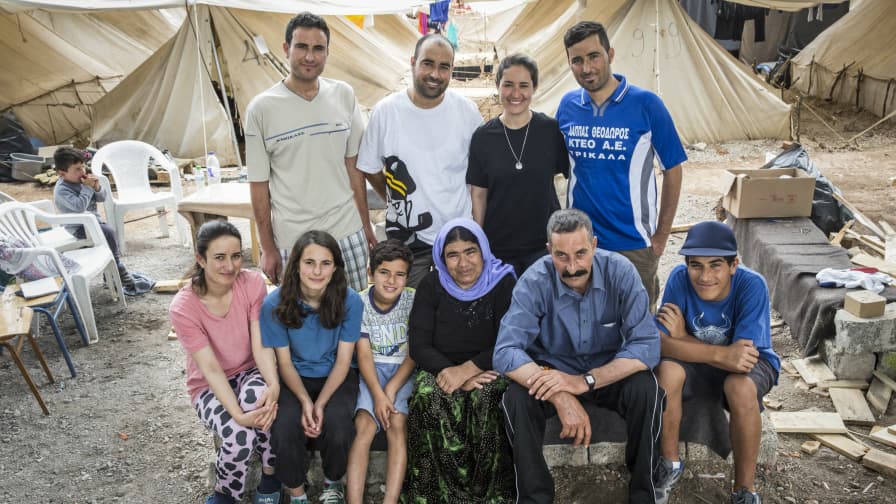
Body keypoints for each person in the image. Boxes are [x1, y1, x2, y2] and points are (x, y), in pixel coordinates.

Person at [494, 208, 663, 504]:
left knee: (646, 389)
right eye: (561, 256)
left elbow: (647, 345)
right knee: (516, 399)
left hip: (607, 371)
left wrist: (584, 382)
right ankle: (534, 498)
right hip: (554, 372)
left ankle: (643, 495)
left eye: (581, 253)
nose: (573, 267)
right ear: (549, 251)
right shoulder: (534, 281)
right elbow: (506, 351)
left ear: (595, 245)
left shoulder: (621, 272)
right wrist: (560, 393)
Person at [556, 21, 686, 311]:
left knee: (635, 331)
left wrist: (661, 236)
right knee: (584, 324)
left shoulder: (647, 105)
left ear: (610, 54)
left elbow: (674, 168)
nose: (586, 68)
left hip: (634, 245)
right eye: (577, 60)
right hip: (581, 244)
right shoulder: (567, 107)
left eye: (593, 56)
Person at [653, 221, 779, 504]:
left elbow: (743, 360)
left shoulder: (751, 285)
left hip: (752, 364)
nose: (705, 276)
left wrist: (683, 337)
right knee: (667, 371)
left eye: (716, 265)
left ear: (734, 265)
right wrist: (720, 354)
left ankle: (744, 490)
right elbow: (658, 343)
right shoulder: (678, 279)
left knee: (739, 387)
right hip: (700, 362)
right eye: (695, 265)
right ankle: (668, 464)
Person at [246, 12, 374, 291]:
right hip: (294, 241)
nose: (309, 56)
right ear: (286, 49)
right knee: (300, 324)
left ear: (328, 53)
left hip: (346, 234)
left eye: (318, 48)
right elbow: (259, 187)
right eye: (301, 47)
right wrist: (267, 248)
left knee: (350, 318)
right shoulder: (261, 109)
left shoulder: (344, 95)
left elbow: (354, 168)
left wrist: (364, 226)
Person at [357, 33, 483, 288]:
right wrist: (396, 199)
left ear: (452, 69)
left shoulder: (467, 112)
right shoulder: (386, 112)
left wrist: (478, 231)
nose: (435, 74)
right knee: (412, 316)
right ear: (413, 62)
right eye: (428, 63)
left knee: (458, 316)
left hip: (458, 236)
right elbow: (369, 168)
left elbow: (482, 176)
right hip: (406, 239)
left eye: (444, 67)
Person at [168, 221, 281, 504]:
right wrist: (239, 415)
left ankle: (270, 476)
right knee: (238, 433)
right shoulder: (184, 307)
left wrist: (274, 384)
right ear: (200, 259)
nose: (230, 266)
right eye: (219, 257)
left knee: (262, 399)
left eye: (235, 256)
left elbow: (261, 341)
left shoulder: (252, 283)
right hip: (208, 385)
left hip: (250, 370)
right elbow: (210, 369)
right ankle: (226, 494)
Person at [406, 218, 516, 503]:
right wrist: (449, 372)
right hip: (440, 367)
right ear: (441, 258)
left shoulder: (503, 282)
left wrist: (467, 372)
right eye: (452, 255)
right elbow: (419, 345)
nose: (462, 263)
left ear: (483, 251)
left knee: (488, 397)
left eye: (470, 251)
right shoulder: (431, 284)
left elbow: (510, 341)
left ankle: (488, 495)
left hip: (491, 367)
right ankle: (440, 495)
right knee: (428, 396)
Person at [261, 230, 363, 504]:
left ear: (336, 267)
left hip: (336, 375)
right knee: (283, 428)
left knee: (339, 424)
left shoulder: (350, 300)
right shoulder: (275, 303)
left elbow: (344, 361)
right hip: (295, 376)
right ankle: (297, 493)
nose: (317, 271)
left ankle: (333, 483)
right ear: (295, 265)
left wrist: (321, 404)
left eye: (325, 263)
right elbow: (284, 362)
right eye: (309, 262)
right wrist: (306, 402)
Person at [467, 53, 569, 277]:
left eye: (524, 85)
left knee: (542, 310)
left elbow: (569, 178)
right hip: (499, 248)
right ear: (497, 86)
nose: (515, 94)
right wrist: (480, 242)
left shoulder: (550, 130)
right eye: (508, 85)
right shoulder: (483, 137)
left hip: (544, 246)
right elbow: (479, 194)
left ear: (534, 87)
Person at [345, 240, 416, 504]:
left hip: (402, 373)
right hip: (370, 372)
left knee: (397, 424)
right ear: (370, 272)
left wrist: (390, 390)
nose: (391, 281)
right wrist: (377, 394)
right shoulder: (359, 302)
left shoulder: (412, 300)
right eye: (384, 272)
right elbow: (363, 354)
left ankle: (390, 501)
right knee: (363, 426)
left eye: (400, 274)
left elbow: (413, 354)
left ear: (407, 277)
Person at [52, 146, 135, 290]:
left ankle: (112, 269)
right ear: (62, 173)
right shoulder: (62, 190)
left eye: (83, 167)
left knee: (107, 233)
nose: (82, 172)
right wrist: (88, 188)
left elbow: (102, 198)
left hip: (93, 223)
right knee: (108, 232)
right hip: (78, 227)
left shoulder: (82, 182)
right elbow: (79, 207)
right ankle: (116, 267)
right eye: (77, 169)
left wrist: (96, 187)